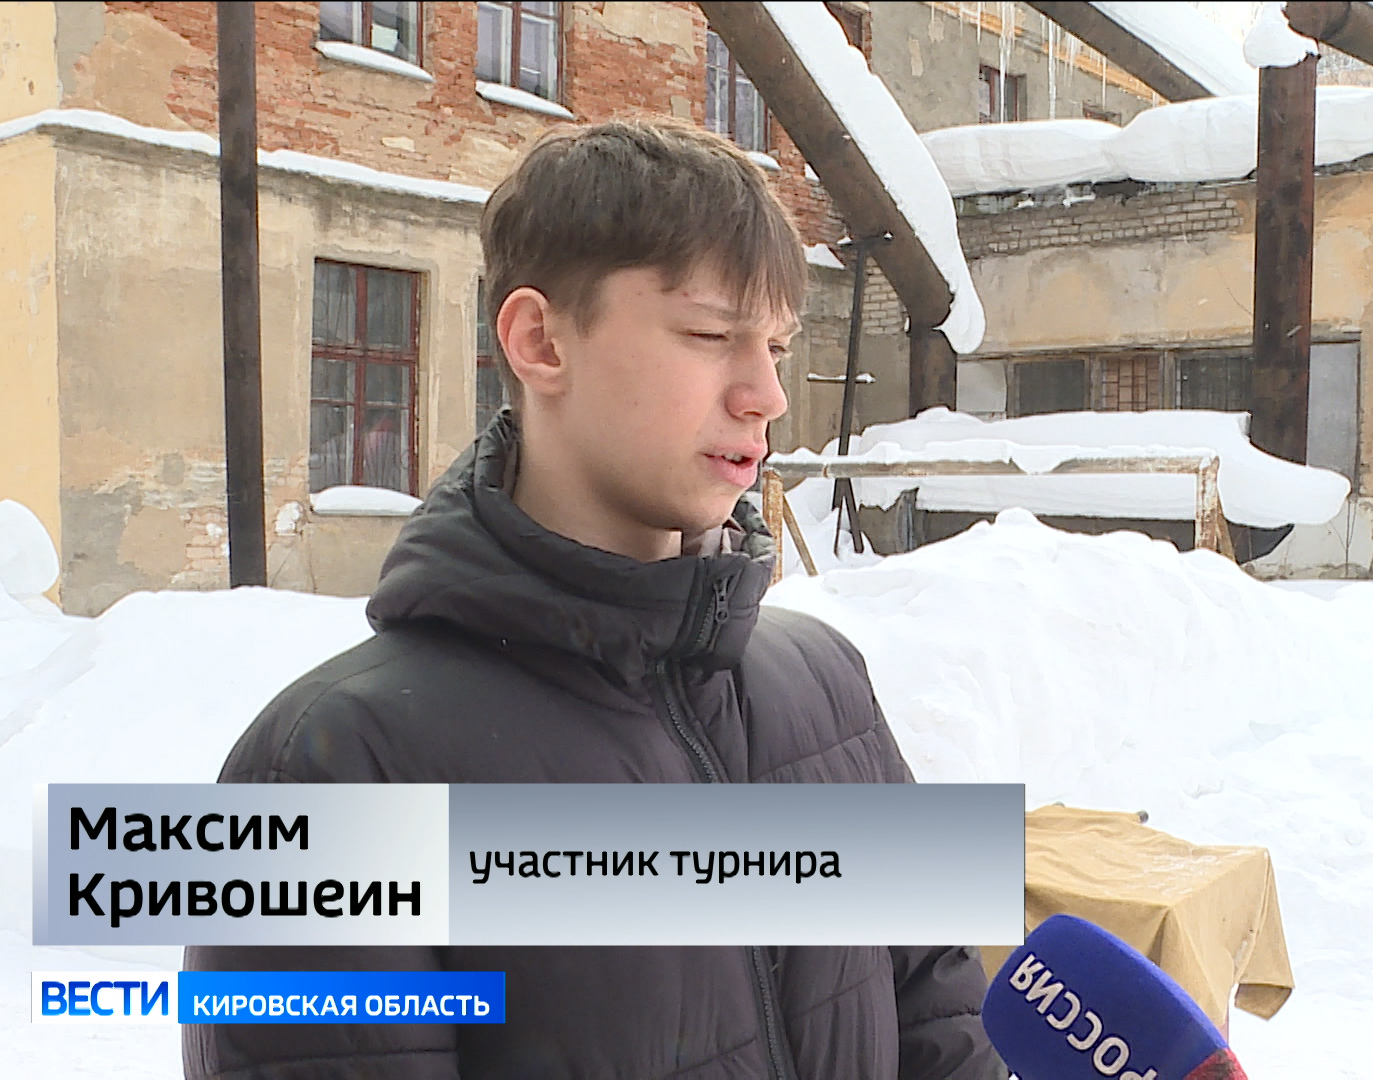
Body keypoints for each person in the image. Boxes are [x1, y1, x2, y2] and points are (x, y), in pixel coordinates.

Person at [183, 119, 1005, 1079]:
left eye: (777, 347)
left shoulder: (826, 685)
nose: (766, 395)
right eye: (711, 335)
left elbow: (942, 1021)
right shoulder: (331, 773)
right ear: (540, 342)